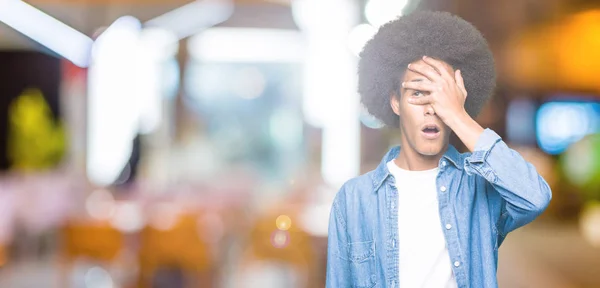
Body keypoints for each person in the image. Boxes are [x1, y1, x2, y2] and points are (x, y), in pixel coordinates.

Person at [326, 11, 551, 288]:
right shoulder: (353, 199)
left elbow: (535, 197)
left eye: (442, 95)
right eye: (418, 93)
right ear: (396, 102)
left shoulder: (477, 189)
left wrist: (459, 116)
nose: (431, 108)